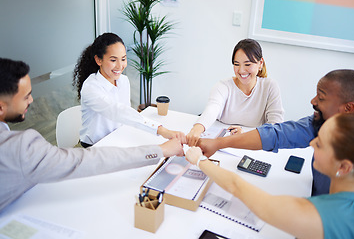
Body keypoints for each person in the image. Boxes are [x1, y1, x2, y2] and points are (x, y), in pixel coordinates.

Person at [0, 58, 184, 212]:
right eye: (26, 97)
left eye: (123, 58)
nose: (32, 100)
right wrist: (160, 149)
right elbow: (87, 160)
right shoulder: (18, 148)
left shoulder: (123, 81)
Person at [186, 112, 354, 239]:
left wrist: (199, 160)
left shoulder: (327, 215)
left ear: (344, 167)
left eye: (320, 144)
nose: (312, 143)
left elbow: (237, 186)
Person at [198, 69, 354, 196]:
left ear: (348, 108)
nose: (313, 101)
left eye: (321, 98)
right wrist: (218, 143)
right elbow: (277, 134)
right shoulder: (321, 122)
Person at [73, 33, 185, 147]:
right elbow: (119, 112)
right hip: (93, 148)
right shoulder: (91, 88)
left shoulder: (123, 81)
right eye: (113, 60)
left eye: (123, 59)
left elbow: (125, 116)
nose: (119, 66)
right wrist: (162, 131)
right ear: (98, 60)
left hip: (116, 140)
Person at [186, 39, 284, 146]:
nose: (241, 70)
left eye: (247, 64)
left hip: (253, 144)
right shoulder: (223, 86)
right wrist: (197, 129)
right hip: (218, 143)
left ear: (260, 64)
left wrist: (244, 134)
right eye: (237, 64)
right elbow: (211, 109)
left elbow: (275, 126)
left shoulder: (270, 86)